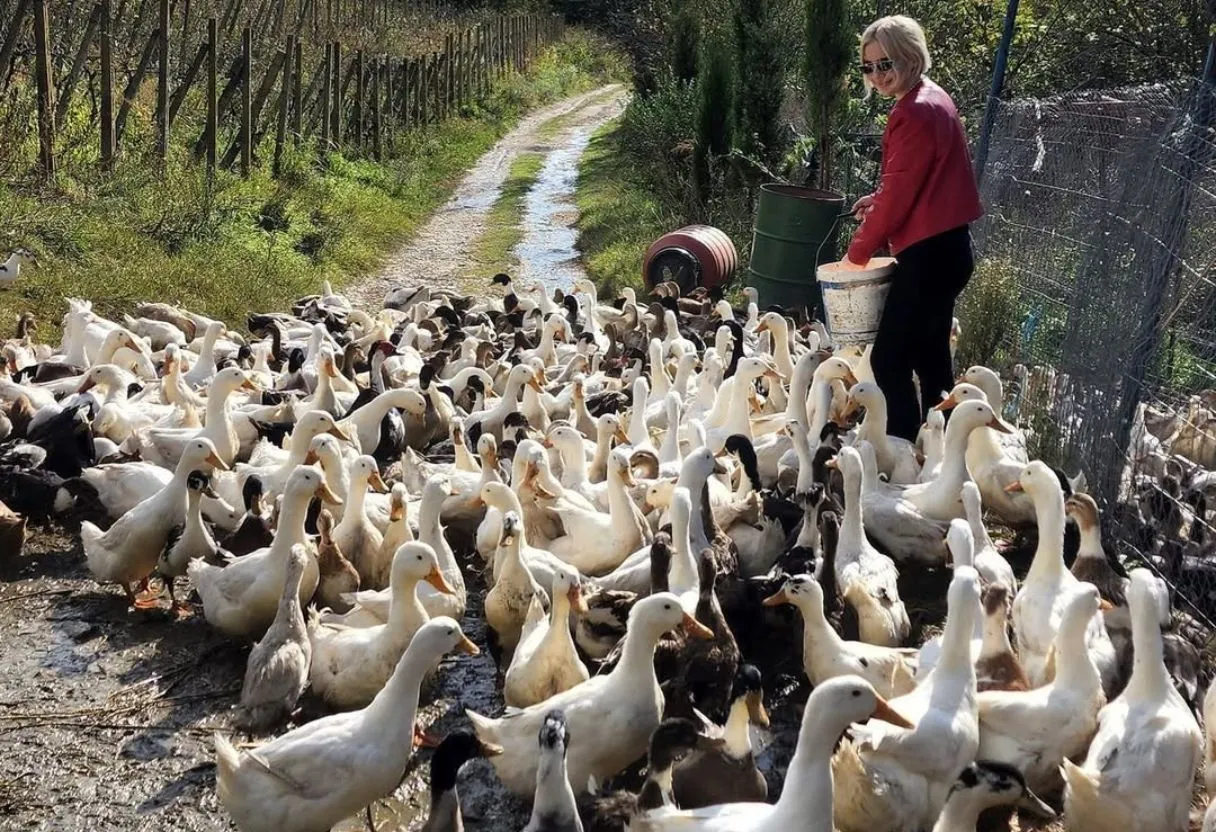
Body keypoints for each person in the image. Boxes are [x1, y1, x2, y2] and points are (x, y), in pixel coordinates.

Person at [842, 15, 983, 442]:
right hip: (947, 248)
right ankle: (941, 449)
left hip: (929, 255)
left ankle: (903, 450)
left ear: (909, 57)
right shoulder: (931, 98)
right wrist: (878, 199)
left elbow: (902, 193)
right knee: (930, 356)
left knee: (889, 360)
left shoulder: (915, 110)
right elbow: (918, 181)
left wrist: (857, 255)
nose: (877, 75)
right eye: (868, 67)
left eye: (885, 63)